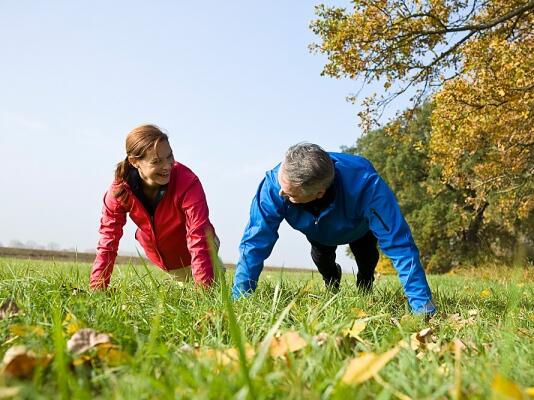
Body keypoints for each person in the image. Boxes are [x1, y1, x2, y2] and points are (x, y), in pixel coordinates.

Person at [232, 143, 435, 314]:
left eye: (290, 194)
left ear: (318, 192)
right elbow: (255, 242)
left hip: (358, 228)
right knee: (322, 259)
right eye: (280, 184)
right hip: (317, 231)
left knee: (367, 258)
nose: (280, 193)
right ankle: (332, 282)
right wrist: (240, 299)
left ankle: (365, 285)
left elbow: (400, 246)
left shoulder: (367, 186)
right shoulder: (273, 186)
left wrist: (423, 308)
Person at [90, 124, 219, 289]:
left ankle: (211, 277)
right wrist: (97, 288)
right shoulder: (120, 191)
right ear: (134, 162)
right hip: (166, 258)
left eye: (170, 156)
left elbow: (199, 234)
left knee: (215, 288)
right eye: (157, 161)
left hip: (201, 248)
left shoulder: (187, 182)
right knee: (184, 285)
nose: (167, 166)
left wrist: (204, 290)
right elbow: (108, 239)